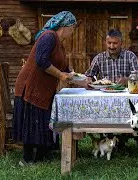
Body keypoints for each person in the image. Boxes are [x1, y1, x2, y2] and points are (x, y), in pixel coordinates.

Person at [13, 11, 83, 166]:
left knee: (44, 120)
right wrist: (60, 75)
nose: (73, 32)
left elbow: (66, 69)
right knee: (33, 120)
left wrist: (83, 81)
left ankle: (42, 155)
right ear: (65, 26)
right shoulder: (49, 37)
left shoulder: (59, 44)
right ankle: (27, 159)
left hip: (43, 88)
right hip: (31, 86)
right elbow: (41, 60)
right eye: (72, 28)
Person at [85, 29, 138, 149]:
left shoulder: (130, 56)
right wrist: (89, 79)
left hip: (127, 96)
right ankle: (107, 136)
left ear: (121, 43)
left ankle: (126, 134)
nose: (111, 46)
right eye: (109, 43)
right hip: (105, 97)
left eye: (115, 43)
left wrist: (127, 80)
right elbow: (89, 74)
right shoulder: (99, 58)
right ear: (106, 42)